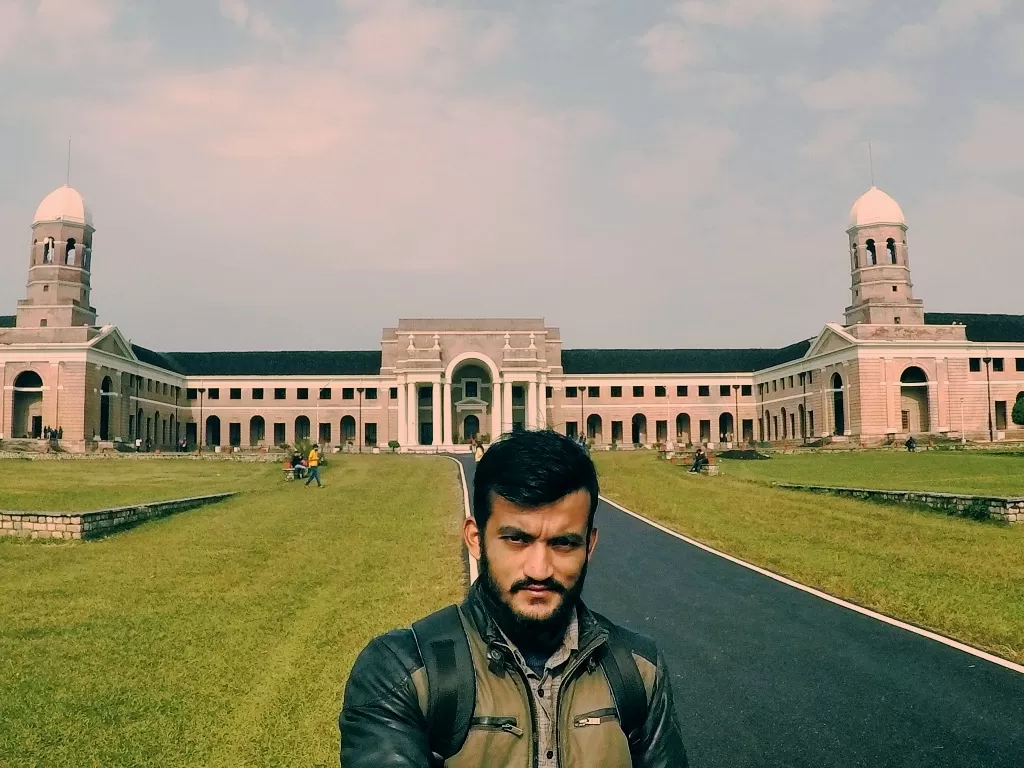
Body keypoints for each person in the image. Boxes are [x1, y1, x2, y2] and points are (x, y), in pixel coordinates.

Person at [340, 429, 688, 767]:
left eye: (563, 543)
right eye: (517, 540)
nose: (539, 569)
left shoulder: (638, 671)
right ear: (476, 539)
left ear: (590, 546)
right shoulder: (403, 671)